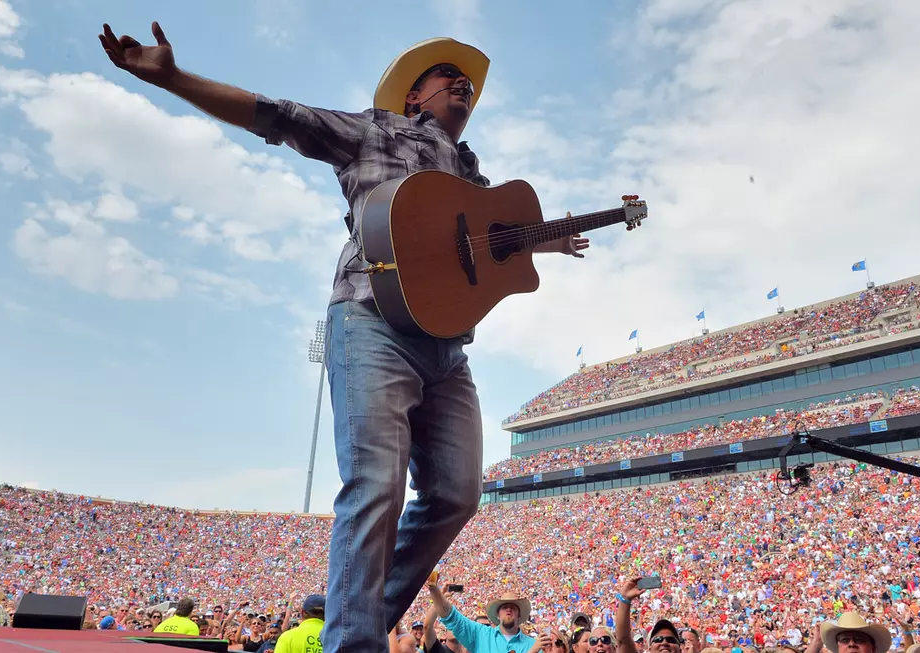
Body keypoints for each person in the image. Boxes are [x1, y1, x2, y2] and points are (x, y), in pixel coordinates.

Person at [98, 21, 588, 653]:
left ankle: (356, 623)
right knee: (375, 483)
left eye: (467, 83)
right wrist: (172, 78)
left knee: (457, 494)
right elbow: (277, 115)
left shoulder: (474, 179)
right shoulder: (375, 131)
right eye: (447, 77)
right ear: (413, 98)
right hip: (372, 319)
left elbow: (483, 251)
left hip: (446, 346)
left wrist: (538, 238)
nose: (461, 84)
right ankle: (354, 642)